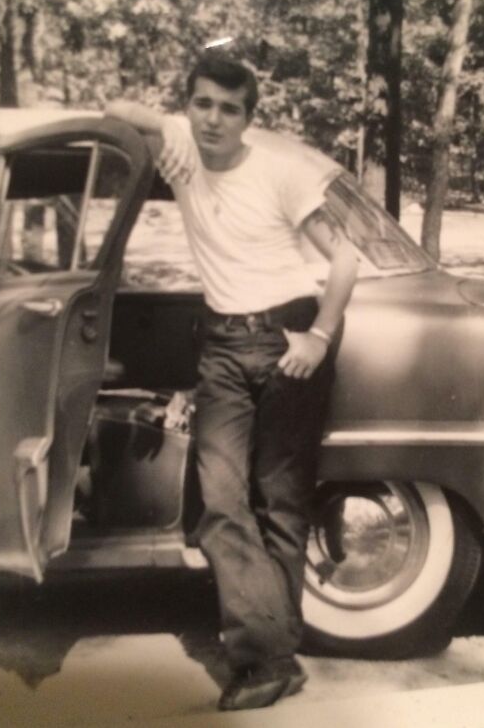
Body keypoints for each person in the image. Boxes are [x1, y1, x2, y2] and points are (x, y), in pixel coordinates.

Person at [106, 52, 358, 711]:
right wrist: (164, 134)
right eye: (202, 104)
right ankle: (274, 657)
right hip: (221, 339)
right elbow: (115, 111)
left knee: (280, 496)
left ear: (249, 118)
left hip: (289, 334)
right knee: (220, 501)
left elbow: (344, 256)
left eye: (229, 108)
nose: (214, 119)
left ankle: (268, 656)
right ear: (187, 105)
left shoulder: (277, 170)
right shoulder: (182, 140)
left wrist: (319, 337)